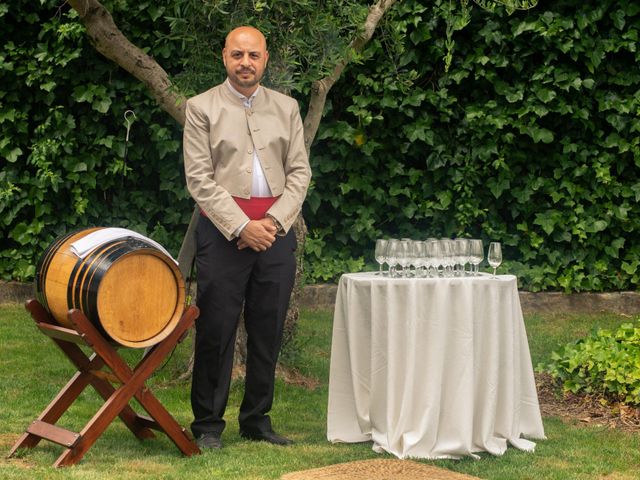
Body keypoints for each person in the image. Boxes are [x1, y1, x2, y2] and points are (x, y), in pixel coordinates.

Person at [182, 26, 311, 450]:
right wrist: (241, 226)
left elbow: (300, 173)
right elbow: (199, 179)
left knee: (267, 327)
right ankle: (207, 425)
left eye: (253, 55)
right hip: (222, 234)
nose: (245, 63)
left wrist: (272, 223)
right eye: (237, 55)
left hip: (276, 232)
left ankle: (257, 419)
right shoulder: (201, 108)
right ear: (224, 58)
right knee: (216, 329)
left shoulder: (288, 107)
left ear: (265, 58)